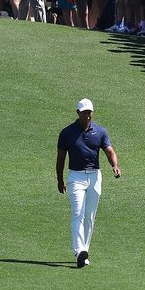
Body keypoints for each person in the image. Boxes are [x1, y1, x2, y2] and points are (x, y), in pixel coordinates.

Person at [56, 98, 121, 268]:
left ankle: (84, 253)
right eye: (84, 112)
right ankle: (79, 250)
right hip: (75, 177)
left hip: (94, 176)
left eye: (89, 112)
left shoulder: (99, 131)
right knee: (78, 213)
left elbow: (109, 150)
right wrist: (60, 179)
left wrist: (115, 166)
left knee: (90, 217)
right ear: (78, 113)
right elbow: (61, 158)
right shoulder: (67, 133)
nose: (87, 115)